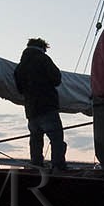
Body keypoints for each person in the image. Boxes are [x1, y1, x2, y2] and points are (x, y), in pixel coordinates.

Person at [14, 37, 67, 172]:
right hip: (47, 107)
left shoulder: (20, 67)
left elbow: (19, 89)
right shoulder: (43, 59)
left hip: (31, 110)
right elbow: (56, 79)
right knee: (56, 139)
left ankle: (36, 166)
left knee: (36, 140)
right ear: (42, 48)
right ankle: (58, 166)